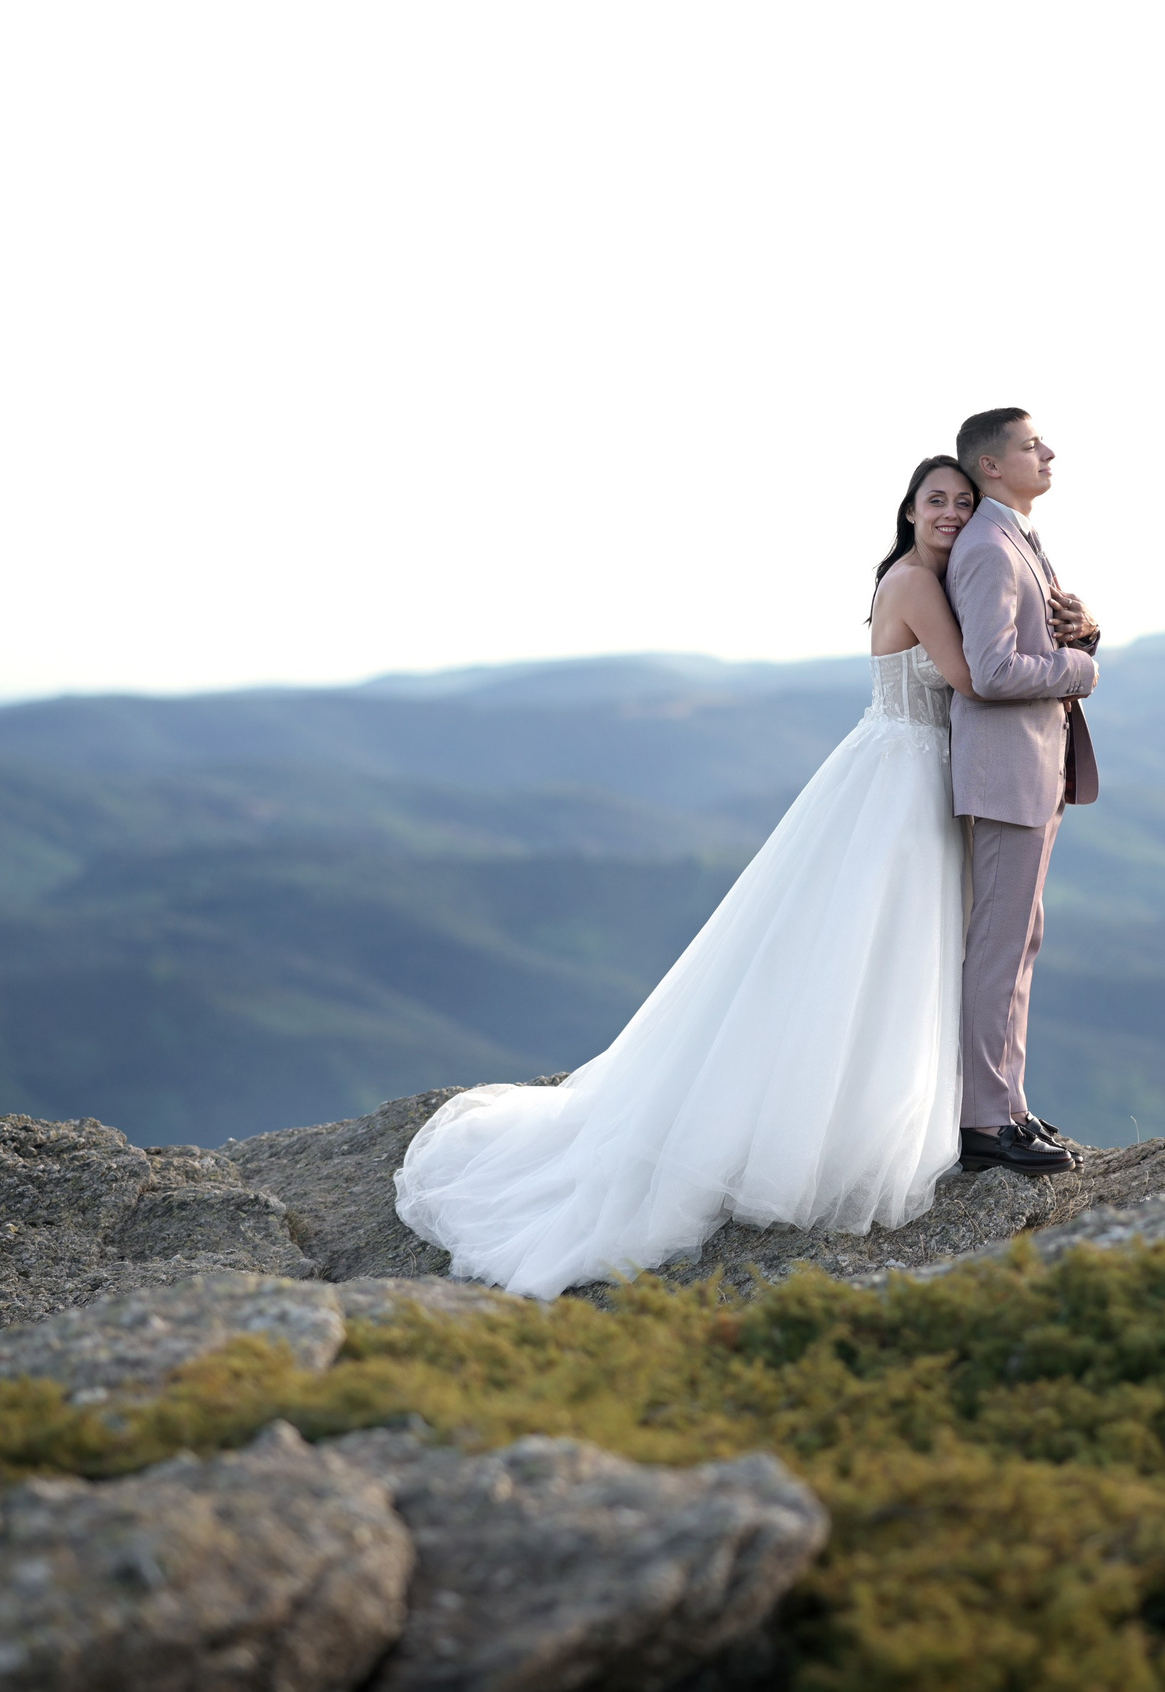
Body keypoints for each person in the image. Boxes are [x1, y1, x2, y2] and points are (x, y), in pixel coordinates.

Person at [393, 455, 1036, 1299]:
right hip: (902, 782)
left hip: (906, 771)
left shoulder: (927, 577)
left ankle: (871, 1114)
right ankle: (845, 1130)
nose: (950, 513)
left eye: (961, 501)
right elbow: (969, 679)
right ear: (909, 511)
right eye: (936, 501)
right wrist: (1062, 649)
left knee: (893, 951)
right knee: (885, 949)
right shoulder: (917, 583)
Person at [947, 408, 1101, 1173]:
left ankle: (1008, 1103)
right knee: (998, 950)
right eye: (1031, 443)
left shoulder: (1017, 539)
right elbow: (991, 670)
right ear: (992, 466)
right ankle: (983, 1125)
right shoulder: (986, 547)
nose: (1048, 451)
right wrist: (1082, 671)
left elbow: (1036, 643)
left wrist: (1084, 633)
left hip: (1033, 771)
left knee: (1020, 942)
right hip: (1006, 775)